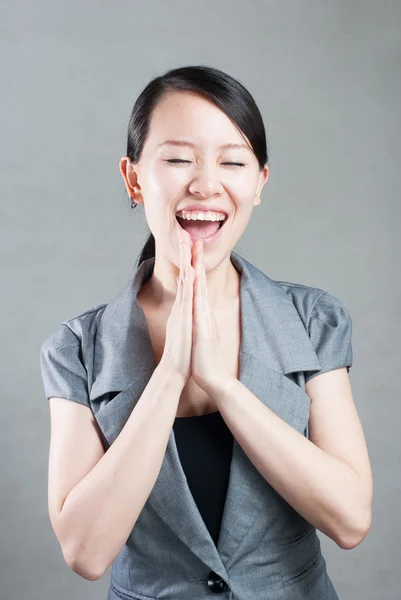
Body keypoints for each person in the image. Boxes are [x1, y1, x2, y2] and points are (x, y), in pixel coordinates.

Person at [40, 65, 372, 600]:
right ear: (133, 178)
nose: (206, 184)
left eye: (233, 162)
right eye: (176, 159)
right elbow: (84, 551)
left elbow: (351, 520)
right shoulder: (76, 348)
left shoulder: (314, 320)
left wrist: (222, 384)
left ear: (259, 183)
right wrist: (170, 374)